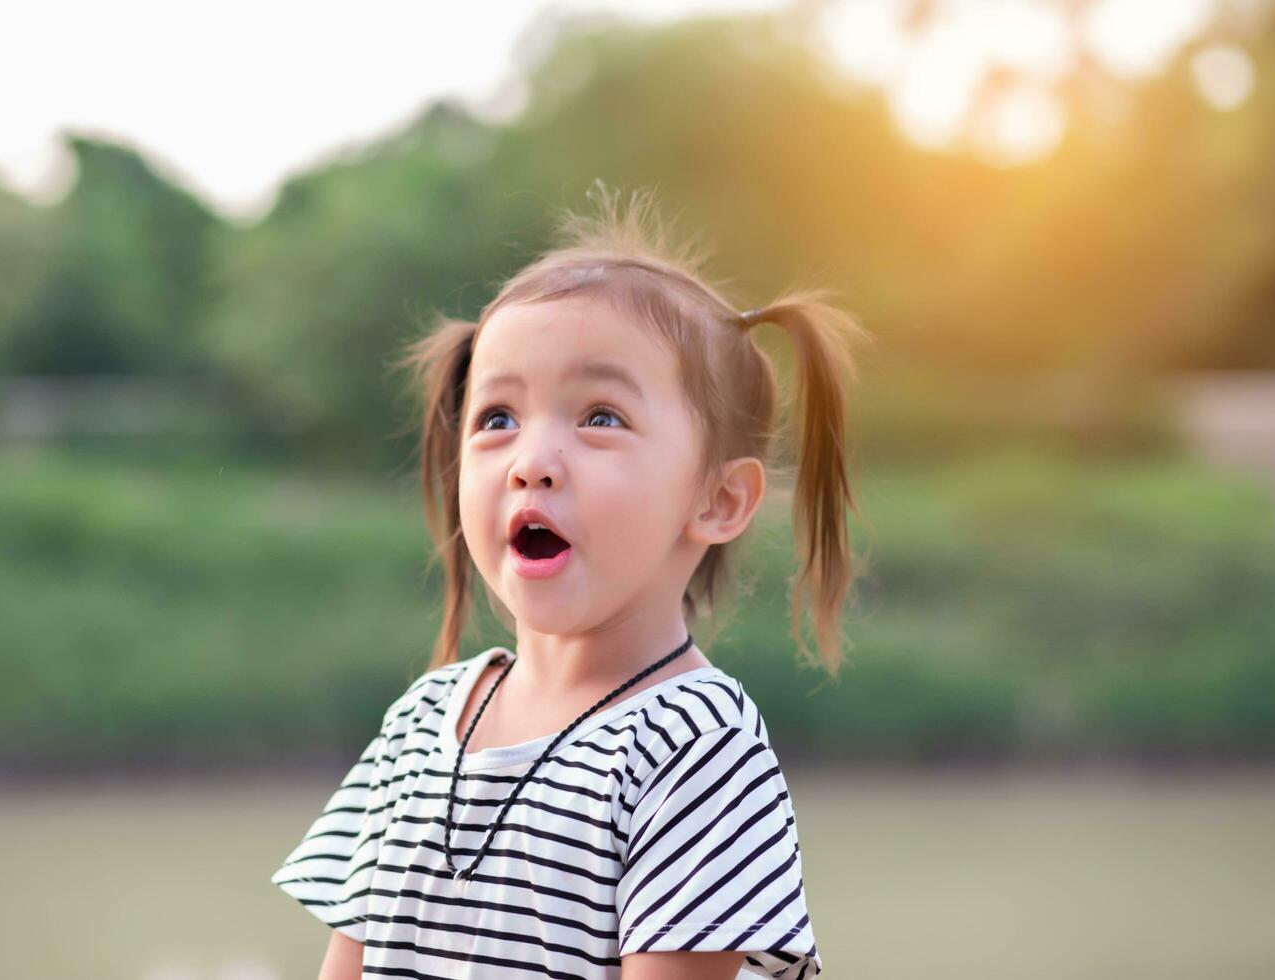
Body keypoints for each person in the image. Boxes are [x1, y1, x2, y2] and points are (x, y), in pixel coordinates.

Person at [270, 185, 869, 979]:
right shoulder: (419, 723)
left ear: (718, 500)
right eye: (497, 419)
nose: (531, 462)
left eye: (600, 418)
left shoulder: (692, 741)